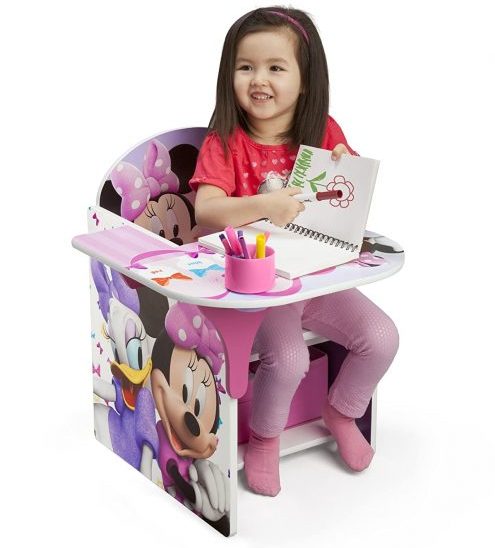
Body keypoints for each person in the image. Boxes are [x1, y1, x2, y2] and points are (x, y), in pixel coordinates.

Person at [189, 6, 399, 497]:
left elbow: (343, 202)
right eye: (246, 67)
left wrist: (347, 170)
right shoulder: (225, 142)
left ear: (306, 80)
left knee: (381, 336)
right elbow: (206, 211)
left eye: (275, 67)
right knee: (287, 359)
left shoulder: (323, 130)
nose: (259, 79)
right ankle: (264, 440)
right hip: (259, 284)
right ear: (229, 75)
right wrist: (267, 205)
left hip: (318, 271)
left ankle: (342, 411)